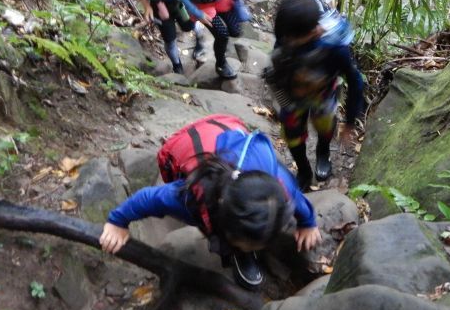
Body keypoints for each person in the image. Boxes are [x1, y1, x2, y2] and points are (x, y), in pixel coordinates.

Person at [99, 114, 322, 290]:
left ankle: (241, 249)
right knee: (211, 226)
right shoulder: (190, 197)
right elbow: (149, 198)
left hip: (223, 128)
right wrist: (117, 221)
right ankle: (237, 254)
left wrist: (308, 223)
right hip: (185, 145)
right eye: (249, 244)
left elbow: (297, 200)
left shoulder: (279, 186)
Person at [264, 0, 364, 191]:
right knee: (293, 134)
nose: (319, 29)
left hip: (323, 94)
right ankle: (303, 170)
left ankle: (323, 153)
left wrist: (350, 120)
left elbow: (355, 80)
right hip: (292, 95)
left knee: (325, 127)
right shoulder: (287, 35)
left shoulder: (335, 46)